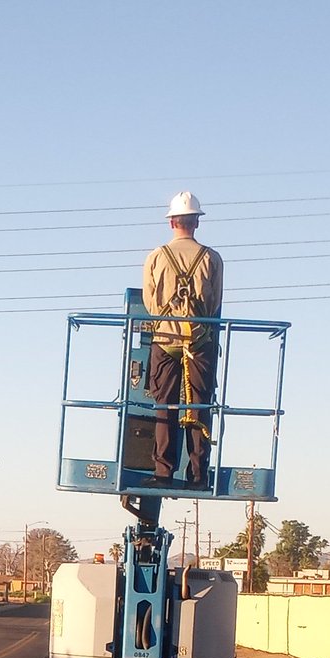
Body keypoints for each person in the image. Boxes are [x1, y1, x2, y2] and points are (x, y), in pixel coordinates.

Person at [142, 191, 223, 487]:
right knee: (199, 406)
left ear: (171, 222)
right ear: (196, 223)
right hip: (200, 340)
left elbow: (151, 303)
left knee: (165, 405)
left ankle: (163, 472)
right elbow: (214, 305)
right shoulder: (212, 258)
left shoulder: (155, 257)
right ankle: (198, 475)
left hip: (165, 339)